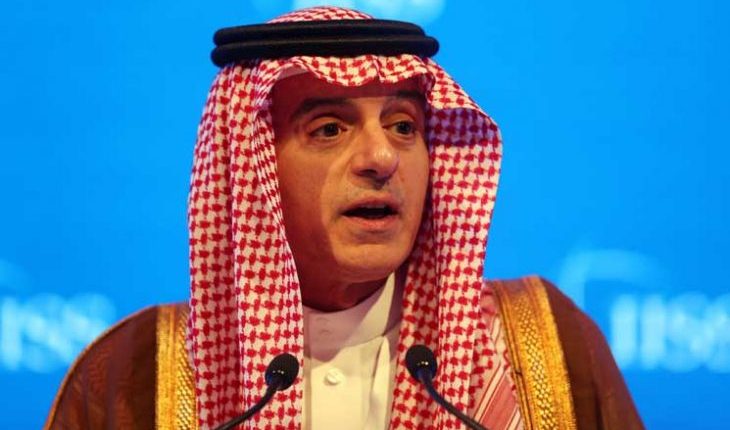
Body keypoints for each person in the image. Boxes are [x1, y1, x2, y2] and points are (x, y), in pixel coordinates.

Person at [44, 6, 643, 430]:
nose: (382, 157)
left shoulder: (547, 345)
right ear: (253, 166)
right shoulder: (130, 377)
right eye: (329, 129)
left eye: (403, 126)